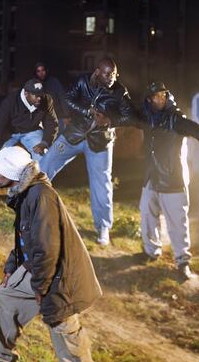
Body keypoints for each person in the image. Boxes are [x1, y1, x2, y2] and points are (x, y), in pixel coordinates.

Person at [0, 146, 107, 362]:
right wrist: (12, 267)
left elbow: (47, 247)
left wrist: (41, 287)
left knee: (64, 329)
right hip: (38, 267)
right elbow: (25, 239)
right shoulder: (26, 192)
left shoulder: (40, 196)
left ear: (11, 171)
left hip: (59, 275)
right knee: (7, 296)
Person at [39, 57, 135, 246]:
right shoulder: (83, 81)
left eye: (114, 73)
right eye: (107, 74)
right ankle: (30, 203)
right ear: (97, 72)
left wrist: (109, 121)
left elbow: (129, 116)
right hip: (75, 134)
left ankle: (103, 228)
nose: (111, 78)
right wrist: (88, 111)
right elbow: (68, 98)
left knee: (102, 183)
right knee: (46, 163)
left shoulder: (119, 91)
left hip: (100, 141)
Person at [139, 82, 199, 279]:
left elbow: (187, 125)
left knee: (177, 223)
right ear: (149, 99)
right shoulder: (146, 115)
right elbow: (127, 116)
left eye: (164, 95)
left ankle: (182, 262)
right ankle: (150, 251)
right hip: (151, 177)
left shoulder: (174, 117)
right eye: (157, 96)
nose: (161, 99)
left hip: (172, 180)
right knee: (146, 213)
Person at [0, 79, 58, 169]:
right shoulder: (9, 102)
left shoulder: (46, 100)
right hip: (10, 134)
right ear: (26, 94)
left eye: (41, 95)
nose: (39, 98)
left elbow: (52, 124)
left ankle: (41, 182)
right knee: (1, 160)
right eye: (36, 95)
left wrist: (45, 142)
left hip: (32, 132)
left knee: (44, 155)